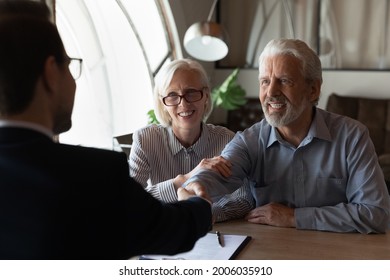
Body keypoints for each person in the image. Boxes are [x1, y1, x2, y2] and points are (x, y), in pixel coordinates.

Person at [0, 15, 212, 259]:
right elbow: (169, 232)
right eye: (70, 66)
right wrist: (200, 204)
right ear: (51, 73)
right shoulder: (97, 174)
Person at [184, 38, 390, 233]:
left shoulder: (352, 136)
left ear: (313, 89)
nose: (271, 92)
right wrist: (198, 184)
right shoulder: (249, 141)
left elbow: (376, 214)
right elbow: (220, 171)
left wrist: (294, 218)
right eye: (265, 81)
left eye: (284, 81)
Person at [129, 58, 254, 222]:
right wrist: (184, 180)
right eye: (172, 95)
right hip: (163, 235)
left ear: (206, 96)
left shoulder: (227, 140)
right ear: (163, 103)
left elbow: (244, 199)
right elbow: (129, 200)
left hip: (214, 234)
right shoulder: (145, 139)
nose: (183, 103)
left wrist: (204, 213)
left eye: (191, 93)